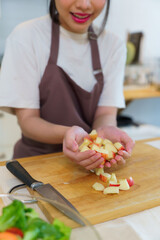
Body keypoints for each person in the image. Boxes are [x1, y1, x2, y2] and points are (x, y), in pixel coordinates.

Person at [0, 0, 134, 170]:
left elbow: (106, 112)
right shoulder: (26, 36)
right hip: (34, 167)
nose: (84, 5)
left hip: (89, 167)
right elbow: (28, 120)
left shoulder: (113, 45)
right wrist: (70, 134)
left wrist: (104, 134)